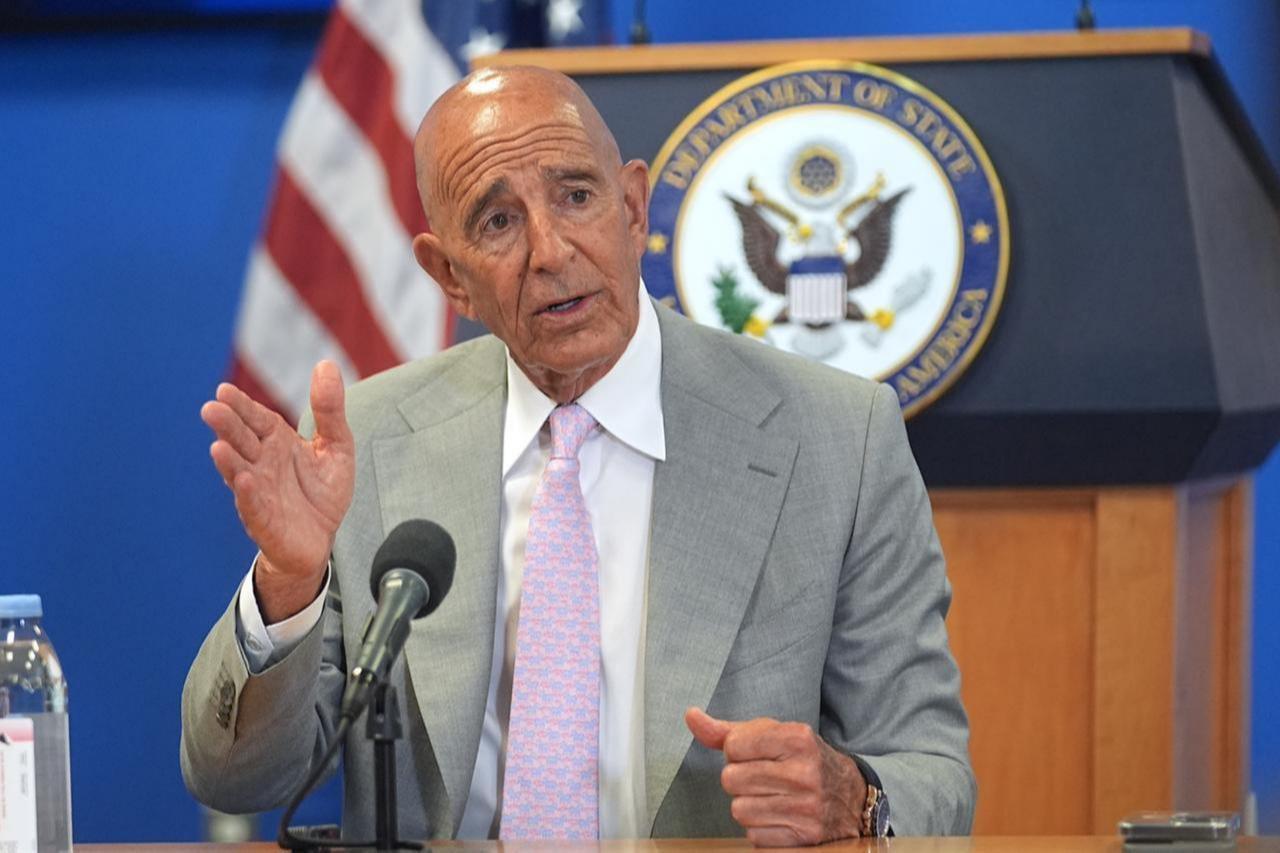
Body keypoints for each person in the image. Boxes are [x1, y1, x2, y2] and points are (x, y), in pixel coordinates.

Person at [182, 65, 974, 846]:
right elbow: (233, 779)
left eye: (577, 196)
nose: (551, 250)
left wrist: (854, 796)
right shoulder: (369, 439)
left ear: (633, 207)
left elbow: (934, 772)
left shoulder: (838, 435)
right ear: (449, 276)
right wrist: (289, 582)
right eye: (497, 222)